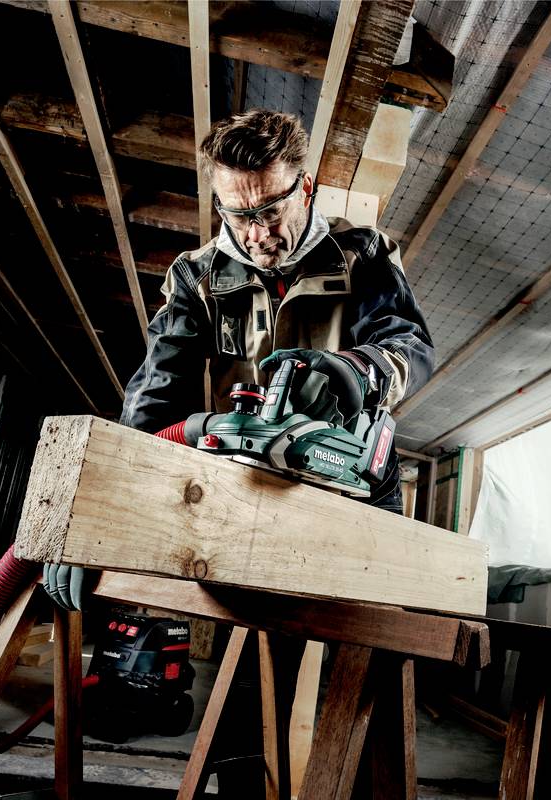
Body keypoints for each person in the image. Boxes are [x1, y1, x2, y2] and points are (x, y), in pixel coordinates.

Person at [43, 109, 433, 610]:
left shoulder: (362, 253)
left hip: (351, 474)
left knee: (373, 620)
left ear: (305, 187)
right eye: (239, 215)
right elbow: (156, 392)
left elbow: (411, 345)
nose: (257, 233)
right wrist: (101, 506)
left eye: (271, 210)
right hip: (241, 478)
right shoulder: (197, 276)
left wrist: (358, 372)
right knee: (238, 623)